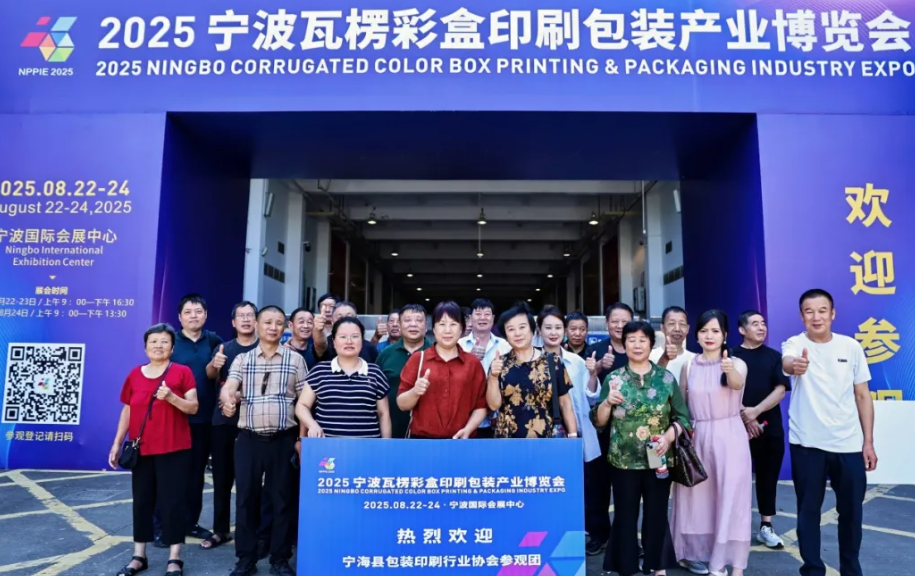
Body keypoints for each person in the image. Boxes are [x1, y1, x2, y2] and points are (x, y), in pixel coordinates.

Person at [782, 289, 876, 576]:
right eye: (809, 311)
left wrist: (868, 442)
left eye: (822, 310)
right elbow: (788, 363)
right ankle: (813, 569)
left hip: (848, 444)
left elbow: (862, 395)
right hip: (807, 444)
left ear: (832, 314)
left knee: (852, 513)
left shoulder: (851, 347)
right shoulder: (795, 344)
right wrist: (796, 366)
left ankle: (851, 569)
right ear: (801, 316)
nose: (816, 317)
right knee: (808, 512)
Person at [591, 320, 691, 576]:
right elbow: (599, 422)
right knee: (625, 514)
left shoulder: (665, 378)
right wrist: (607, 403)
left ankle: (657, 566)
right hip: (623, 459)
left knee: (657, 513)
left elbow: (683, 418)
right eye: (631, 340)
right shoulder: (614, 378)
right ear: (624, 345)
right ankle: (625, 567)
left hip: (658, 457)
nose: (637, 345)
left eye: (642, 340)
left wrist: (668, 437)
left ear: (651, 344)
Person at [219, 306, 307, 576]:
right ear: (257, 325)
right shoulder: (243, 359)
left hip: (283, 440)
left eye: (278, 323)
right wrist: (227, 400)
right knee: (246, 498)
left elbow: (305, 402)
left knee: (282, 500)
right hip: (249, 439)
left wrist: (301, 439)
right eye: (267, 322)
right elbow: (229, 387)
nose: (273, 327)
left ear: (285, 328)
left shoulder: (295, 360)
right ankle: (246, 559)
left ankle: (280, 558)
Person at [109, 323, 198, 576]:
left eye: (164, 341)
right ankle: (139, 556)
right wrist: (117, 443)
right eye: (154, 341)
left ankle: (174, 557)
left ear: (172, 347)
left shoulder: (182, 372)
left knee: (173, 502)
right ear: (146, 346)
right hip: (142, 449)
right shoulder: (134, 375)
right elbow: (127, 410)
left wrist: (171, 397)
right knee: (142, 502)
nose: (159, 345)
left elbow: (193, 407)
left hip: (174, 449)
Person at [671, 310, 751, 576]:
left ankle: (732, 564)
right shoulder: (689, 365)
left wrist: (729, 370)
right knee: (697, 499)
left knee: (732, 498)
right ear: (696, 335)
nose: (709, 336)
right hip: (698, 436)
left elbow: (737, 385)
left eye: (715, 331)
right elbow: (682, 404)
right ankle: (693, 554)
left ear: (725, 335)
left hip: (730, 437)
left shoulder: (737, 363)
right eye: (704, 331)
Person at [730, 310, 790, 550]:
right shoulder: (731, 356)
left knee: (768, 478)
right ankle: (734, 527)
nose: (761, 327)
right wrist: (746, 416)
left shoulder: (774, 357)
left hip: (770, 428)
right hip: (736, 427)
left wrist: (755, 412)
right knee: (735, 480)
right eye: (755, 324)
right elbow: (725, 391)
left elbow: (780, 390)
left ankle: (766, 526)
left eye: (763, 323)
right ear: (742, 330)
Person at [204, 302, 259, 552]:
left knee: (250, 480)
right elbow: (209, 376)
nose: (246, 320)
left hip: (254, 422)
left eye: (250, 316)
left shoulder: (263, 348)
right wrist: (215, 364)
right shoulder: (224, 347)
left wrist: (238, 395)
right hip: (223, 422)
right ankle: (220, 530)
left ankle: (251, 530)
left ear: (256, 321)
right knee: (222, 478)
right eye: (241, 316)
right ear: (233, 322)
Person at [169, 294, 223, 544]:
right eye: (188, 312)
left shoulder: (214, 341)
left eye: (198, 311)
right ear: (180, 317)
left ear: (206, 315)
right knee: (170, 474)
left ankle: (190, 522)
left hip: (203, 419)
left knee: (195, 475)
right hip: (173, 418)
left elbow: (221, 376)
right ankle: (164, 525)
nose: (193, 316)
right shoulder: (170, 341)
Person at [583, 302, 633, 556]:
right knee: (598, 486)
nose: (619, 326)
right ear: (606, 323)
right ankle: (599, 535)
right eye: (615, 321)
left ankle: (627, 539)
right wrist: (599, 368)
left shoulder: (638, 347)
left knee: (629, 489)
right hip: (602, 429)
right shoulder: (595, 350)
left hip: (633, 431)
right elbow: (588, 393)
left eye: (625, 321)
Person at [485, 302, 578, 439]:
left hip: (547, 440)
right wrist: (493, 377)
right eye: (511, 329)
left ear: (532, 330)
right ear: (505, 335)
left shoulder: (553, 362)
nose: (517, 333)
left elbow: (565, 403)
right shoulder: (499, 364)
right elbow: (493, 406)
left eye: (522, 327)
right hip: (507, 441)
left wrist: (573, 436)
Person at [397, 301, 488, 439]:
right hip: (423, 442)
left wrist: (468, 430)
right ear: (433, 329)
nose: (447, 330)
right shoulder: (418, 359)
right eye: (442, 324)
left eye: (453, 324)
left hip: (461, 441)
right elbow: (402, 404)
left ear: (462, 329)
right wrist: (415, 392)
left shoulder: (472, 363)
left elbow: (481, 406)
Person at [296, 317, 392, 438]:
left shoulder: (375, 373)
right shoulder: (319, 371)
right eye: (342, 337)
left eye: (355, 336)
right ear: (334, 342)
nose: (349, 341)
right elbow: (302, 406)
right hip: (327, 445)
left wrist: (385, 445)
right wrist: (312, 425)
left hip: (367, 446)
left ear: (362, 341)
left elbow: (384, 414)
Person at [539, 306, 601, 461]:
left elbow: (591, 398)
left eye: (558, 327)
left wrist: (593, 375)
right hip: (540, 430)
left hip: (572, 429)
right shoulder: (532, 360)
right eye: (548, 328)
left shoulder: (576, 361)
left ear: (564, 331)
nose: (553, 333)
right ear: (539, 330)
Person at [377, 304, 433, 438]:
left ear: (426, 326)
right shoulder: (386, 354)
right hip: (392, 429)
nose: (413, 324)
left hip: (429, 433)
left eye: (419, 320)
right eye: (407, 320)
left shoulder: (436, 353)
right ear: (400, 325)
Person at [459, 298, 511, 438]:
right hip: (466, 418)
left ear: (493, 318)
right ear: (470, 318)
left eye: (487, 314)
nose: (483, 318)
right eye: (478, 314)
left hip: (498, 417)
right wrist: (469, 359)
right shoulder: (459, 345)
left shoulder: (505, 346)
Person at [313, 300, 379, 364]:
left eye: (349, 317)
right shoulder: (327, 344)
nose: (345, 321)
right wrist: (317, 329)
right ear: (332, 322)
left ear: (357, 319)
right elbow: (320, 345)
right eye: (340, 318)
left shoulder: (370, 348)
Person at [650, 306, 696, 385]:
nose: (677, 329)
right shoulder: (649, 356)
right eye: (671, 324)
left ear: (688, 329)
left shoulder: (694, 359)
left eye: (682, 324)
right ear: (662, 327)